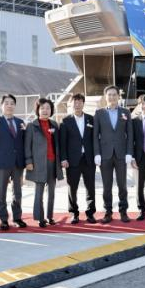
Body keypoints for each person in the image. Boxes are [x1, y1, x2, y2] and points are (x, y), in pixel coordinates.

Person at [93, 85, 134, 223]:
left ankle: (123, 211)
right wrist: (97, 153)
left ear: (118, 96)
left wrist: (129, 152)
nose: (112, 97)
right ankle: (108, 212)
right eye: (109, 95)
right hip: (105, 155)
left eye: (114, 94)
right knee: (107, 186)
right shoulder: (99, 113)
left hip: (121, 154)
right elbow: (95, 135)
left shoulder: (125, 112)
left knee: (122, 185)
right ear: (105, 97)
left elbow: (130, 134)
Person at [0, 94, 28, 230]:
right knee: (1, 192)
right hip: (1, 163)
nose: (9, 106)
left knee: (18, 192)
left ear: (15, 106)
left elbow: (24, 142)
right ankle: (3, 219)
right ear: (1, 105)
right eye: (6, 103)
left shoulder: (20, 122)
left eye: (12, 103)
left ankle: (17, 217)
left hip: (18, 163)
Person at [25, 98, 63, 228]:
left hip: (53, 162)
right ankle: (40, 218)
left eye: (48, 108)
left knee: (51, 192)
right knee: (39, 192)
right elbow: (27, 146)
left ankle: (50, 216)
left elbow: (58, 144)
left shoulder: (55, 125)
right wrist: (28, 161)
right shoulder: (32, 126)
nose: (45, 110)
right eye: (42, 108)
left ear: (51, 110)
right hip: (38, 163)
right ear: (38, 110)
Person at [60, 93, 96, 224]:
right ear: (71, 104)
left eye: (80, 102)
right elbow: (62, 142)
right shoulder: (65, 121)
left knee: (90, 187)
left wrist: (96, 156)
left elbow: (94, 139)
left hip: (88, 159)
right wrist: (63, 158)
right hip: (72, 160)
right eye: (75, 102)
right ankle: (74, 213)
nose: (77, 104)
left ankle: (90, 213)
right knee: (72, 188)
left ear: (83, 104)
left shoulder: (91, 119)